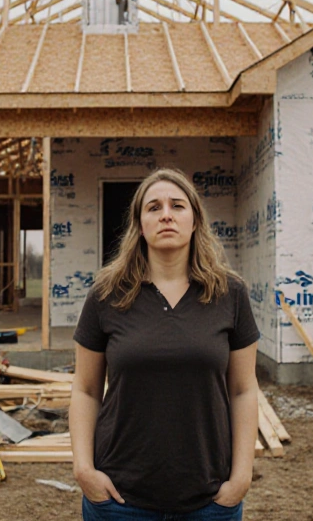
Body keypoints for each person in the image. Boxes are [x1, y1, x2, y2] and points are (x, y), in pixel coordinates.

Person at [70, 167, 260, 520]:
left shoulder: (229, 293)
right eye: (154, 207)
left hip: (209, 500)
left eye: (177, 205)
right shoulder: (107, 294)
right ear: (140, 225)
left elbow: (244, 391)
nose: (166, 215)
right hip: (118, 499)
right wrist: (84, 470)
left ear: (195, 220)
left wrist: (241, 479)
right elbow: (85, 389)